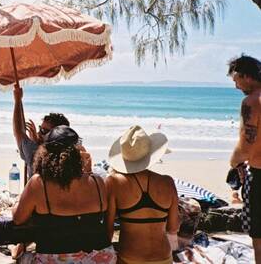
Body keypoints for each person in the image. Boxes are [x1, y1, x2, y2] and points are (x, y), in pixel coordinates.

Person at [12, 125, 116, 263]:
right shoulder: (97, 181)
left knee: (19, 258)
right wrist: (87, 169)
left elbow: (18, 219)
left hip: (58, 259)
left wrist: (17, 203)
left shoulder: (39, 183)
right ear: (77, 152)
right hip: (101, 257)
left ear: (45, 153)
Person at [105, 125, 179, 264]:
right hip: (163, 257)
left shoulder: (114, 182)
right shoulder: (168, 182)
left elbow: (108, 229)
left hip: (130, 257)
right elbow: (173, 227)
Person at [227, 54, 261, 263]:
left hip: (259, 173)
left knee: (258, 236)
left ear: (246, 76)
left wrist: (233, 162)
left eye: (236, 80)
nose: (236, 86)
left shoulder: (251, 102)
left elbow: (246, 145)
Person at [13, 85, 70, 180]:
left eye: (44, 131)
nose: (39, 133)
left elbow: (19, 131)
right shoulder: (70, 157)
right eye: (40, 128)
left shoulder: (37, 153)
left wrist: (18, 100)